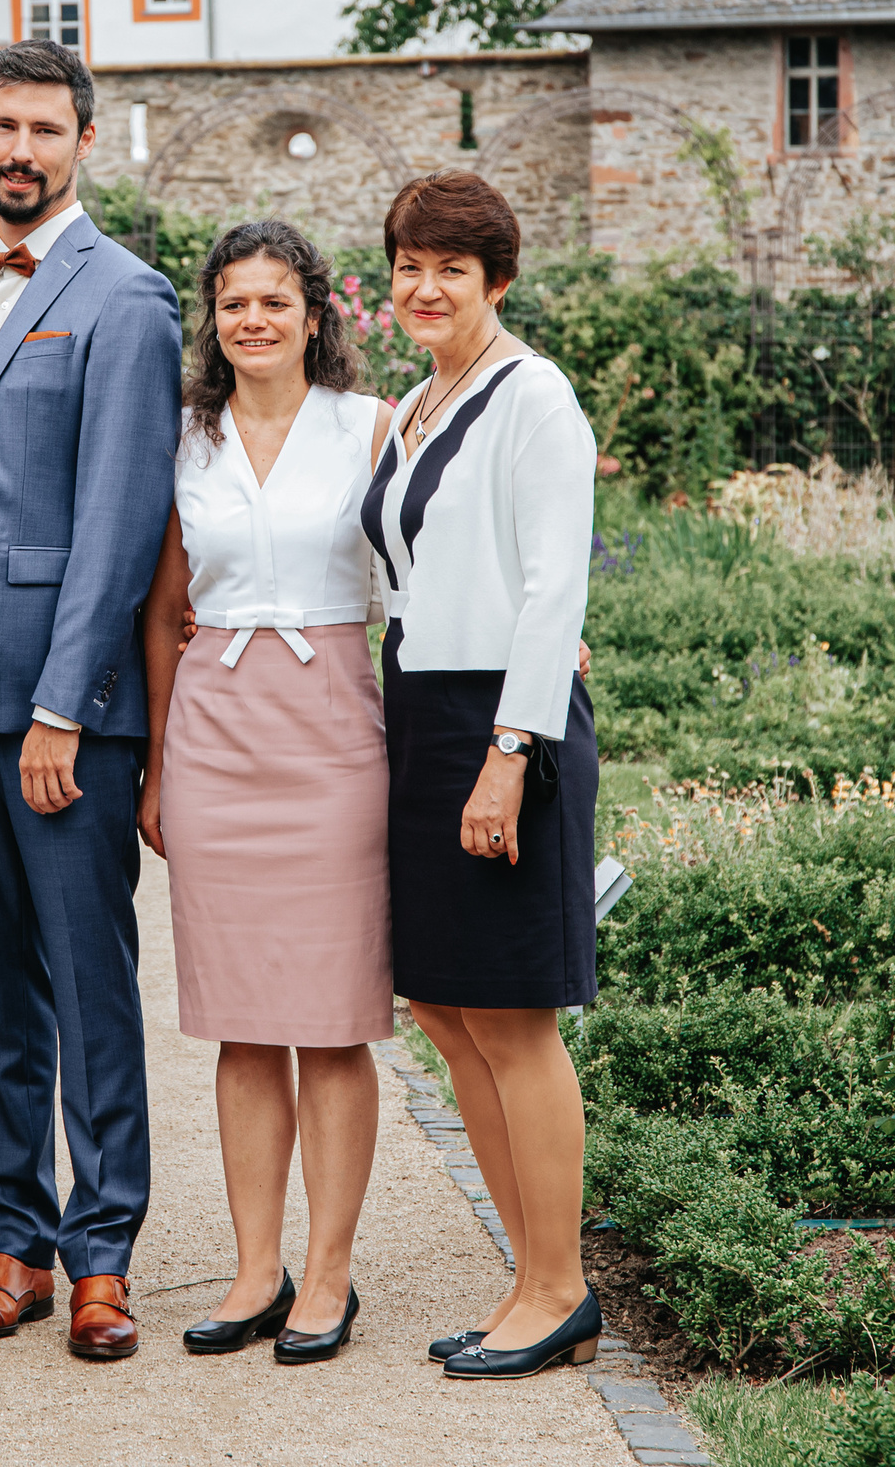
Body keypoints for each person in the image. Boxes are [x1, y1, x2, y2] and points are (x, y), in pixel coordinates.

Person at [0, 40, 184, 1361]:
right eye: (1, 126)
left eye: (44, 128)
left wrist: (65, 708)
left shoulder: (128, 298)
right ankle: (10, 1235)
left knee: (87, 983)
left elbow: (120, 525)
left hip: (65, 711)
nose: (21, 149)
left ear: (84, 138)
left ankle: (104, 1248)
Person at [359, 172, 602, 1379]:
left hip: (503, 720)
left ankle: (558, 1287)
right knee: (449, 1011)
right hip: (421, 713)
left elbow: (555, 584)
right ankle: (525, 1275)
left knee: (512, 1016)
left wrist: (510, 753)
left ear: (495, 280)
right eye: (409, 262)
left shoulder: (533, 395)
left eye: (452, 267)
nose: (426, 286)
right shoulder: (413, 401)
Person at [138, 221, 393, 1366]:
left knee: (332, 1020)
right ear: (214, 317)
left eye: (274, 302)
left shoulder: (370, 425)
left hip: (335, 726)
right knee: (242, 1020)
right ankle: (254, 1266)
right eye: (233, 302)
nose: (252, 320)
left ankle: (328, 1272)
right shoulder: (184, 437)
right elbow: (161, 610)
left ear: (314, 314)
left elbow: (432, 572)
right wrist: (153, 759)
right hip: (214, 729)